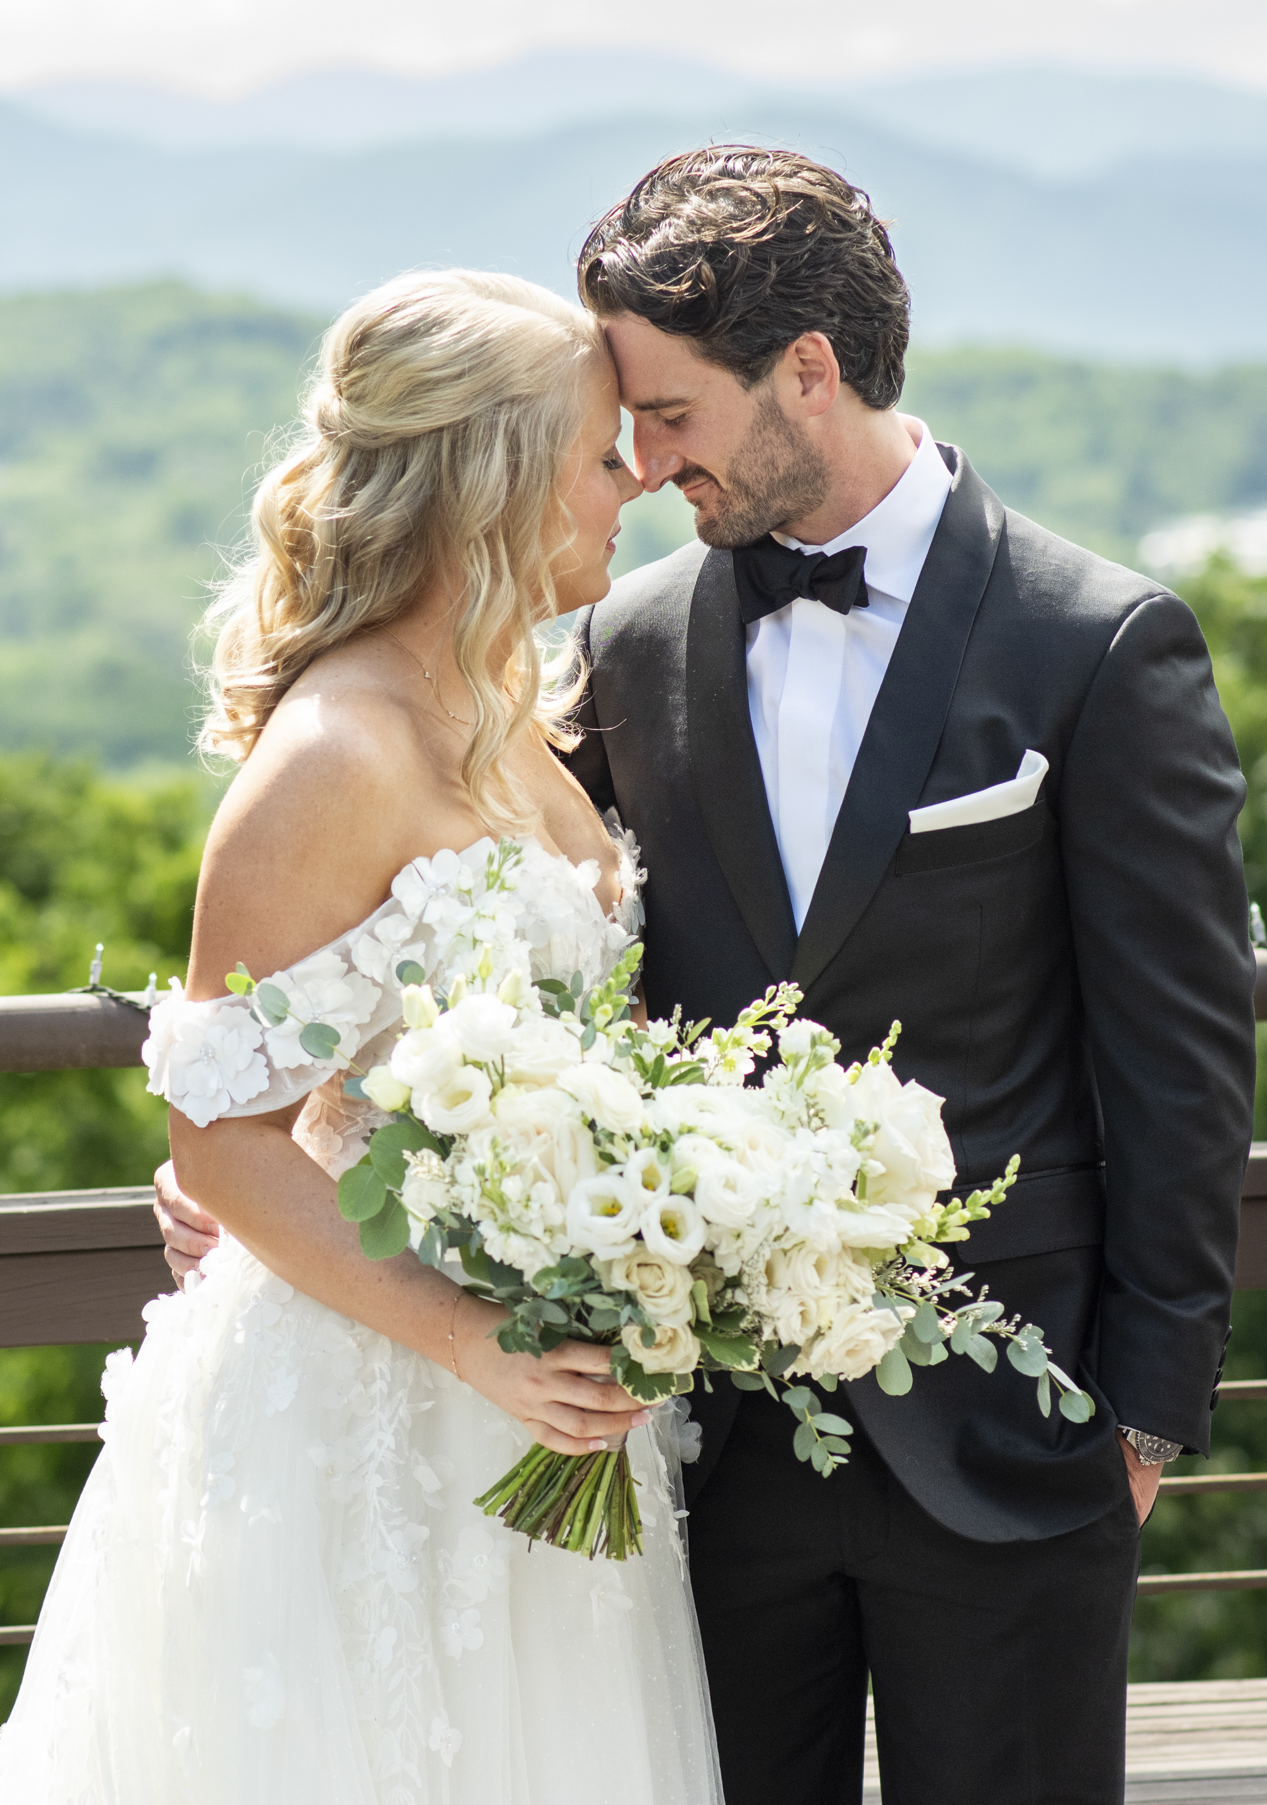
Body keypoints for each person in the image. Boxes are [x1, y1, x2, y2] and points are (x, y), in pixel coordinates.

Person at [157, 147, 1254, 1804]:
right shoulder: (613, 652)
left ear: (805, 374)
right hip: (688, 1448)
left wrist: (1150, 1416)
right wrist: (260, 1164)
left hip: (1011, 1428)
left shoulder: (1097, 642)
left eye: (663, 417)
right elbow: (425, 954)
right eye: (612, 436)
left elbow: (1180, 1061)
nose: (642, 462)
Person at [0, 269, 724, 1805]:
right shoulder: (335, 752)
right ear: (498, 483)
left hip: (546, 1405)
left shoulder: (507, 709)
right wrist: (471, 1344)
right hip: (374, 1416)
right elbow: (220, 1138)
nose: (636, 478)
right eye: (602, 452)